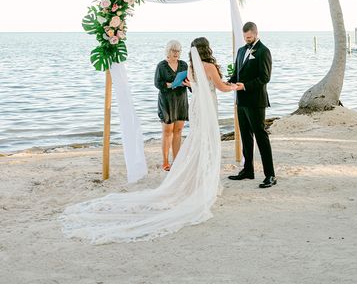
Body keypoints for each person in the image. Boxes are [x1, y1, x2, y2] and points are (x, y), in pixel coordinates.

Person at [61, 39, 236, 244]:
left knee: (196, 140)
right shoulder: (207, 66)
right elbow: (221, 88)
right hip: (203, 108)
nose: (176, 53)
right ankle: (198, 178)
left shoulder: (190, 68)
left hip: (195, 107)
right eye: (174, 51)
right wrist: (236, 87)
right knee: (205, 141)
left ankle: (192, 176)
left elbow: (194, 86)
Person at [228, 22, 276, 188]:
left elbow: (265, 77)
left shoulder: (264, 51)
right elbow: (236, 74)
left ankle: (270, 175)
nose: (247, 40)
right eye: (245, 37)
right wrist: (227, 83)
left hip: (256, 101)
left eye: (249, 37)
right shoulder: (241, 51)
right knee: (245, 137)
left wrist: (246, 86)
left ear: (256, 33)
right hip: (241, 101)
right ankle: (248, 170)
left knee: (261, 137)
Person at [154, 40, 189, 171]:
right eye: (173, 50)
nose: (176, 53)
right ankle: (165, 161)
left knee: (178, 131)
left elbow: (189, 80)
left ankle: (177, 161)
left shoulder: (184, 65)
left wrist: (186, 83)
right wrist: (171, 84)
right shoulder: (161, 66)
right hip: (167, 101)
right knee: (167, 131)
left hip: (181, 100)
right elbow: (157, 83)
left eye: (178, 51)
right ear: (168, 51)